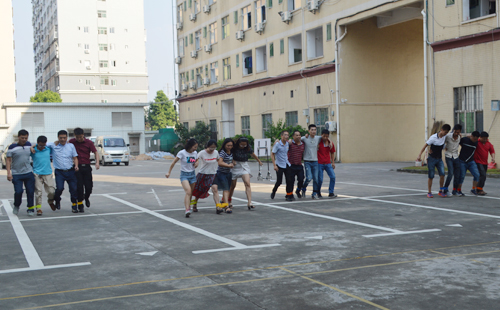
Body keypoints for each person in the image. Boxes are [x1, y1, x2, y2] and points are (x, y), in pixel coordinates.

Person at [45, 130, 79, 212]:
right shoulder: (53, 145)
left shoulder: (71, 146)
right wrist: (32, 147)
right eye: (61, 138)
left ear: (67, 138)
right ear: (58, 138)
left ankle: (74, 206)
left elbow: (75, 157)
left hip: (70, 171)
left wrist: (76, 165)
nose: (62, 139)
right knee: (59, 188)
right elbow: (41, 144)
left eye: (64, 138)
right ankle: (57, 200)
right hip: (59, 172)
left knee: (73, 189)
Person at [166, 139, 198, 218]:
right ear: (190, 146)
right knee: (188, 191)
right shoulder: (182, 153)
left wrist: (196, 163)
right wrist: (169, 172)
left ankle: (188, 206)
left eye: (196, 147)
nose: (195, 149)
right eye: (194, 147)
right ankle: (187, 209)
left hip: (192, 175)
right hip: (184, 175)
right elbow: (173, 162)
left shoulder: (195, 153)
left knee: (191, 193)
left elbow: (196, 160)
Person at [6, 129, 35, 216]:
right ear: (18, 137)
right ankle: (16, 205)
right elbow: (8, 160)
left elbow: (39, 144)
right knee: (18, 191)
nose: (24, 139)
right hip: (16, 173)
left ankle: (30, 208)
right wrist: (8, 173)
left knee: (30, 191)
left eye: (26, 138)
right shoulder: (12, 147)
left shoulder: (29, 145)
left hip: (28, 172)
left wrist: (32, 147)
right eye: (22, 138)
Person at [69, 128, 99, 210]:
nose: (79, 139)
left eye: (80, 137)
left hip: (87, 167)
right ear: (75, 136)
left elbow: (95, 152)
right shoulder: (72, 142)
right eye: (77, 137)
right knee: (79, 187)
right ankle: (80, 204)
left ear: (83, 135)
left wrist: (97, 163)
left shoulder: (89, 143)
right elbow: (63, 144)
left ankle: (86, 197)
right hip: (77, 167)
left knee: (89, 187)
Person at [417, 124, 451, 198]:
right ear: (441, 130)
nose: (445, 134)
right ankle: (429, 192)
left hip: (439, 159)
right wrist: (419, 155)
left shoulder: (445, 137)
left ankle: (440, 191)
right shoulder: (433, 137)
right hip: (432, 159)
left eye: (447, 133)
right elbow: (425, 146)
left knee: (442, 174)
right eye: (445, 132)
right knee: (431, 176)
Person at [228, 137, 263, 210]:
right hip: (235, 166)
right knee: (232, 186)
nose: (243, 146)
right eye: (242, 145)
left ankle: (249, 202)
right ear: (238, 143)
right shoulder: (234, 147)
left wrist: (259, 161)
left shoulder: (248, 147)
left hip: (244, 165)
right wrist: (232, 160)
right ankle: (229, 200)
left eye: (245, 145)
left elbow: (252, 154)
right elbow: (229, 154)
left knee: (247, 183)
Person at [191, 140, 220, 212]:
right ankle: (194, 204)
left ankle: (218, 207)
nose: (212, 150)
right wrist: (196, 162)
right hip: (203, 174)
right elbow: (195, 159)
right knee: (199, 191)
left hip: (213, 174)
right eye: (211, 148)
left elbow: (219, 160)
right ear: (207, 146)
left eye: (214, 148)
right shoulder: (202, 153)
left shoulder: (216, 152)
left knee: (215, 189)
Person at [31, 135, 56, 215]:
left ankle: (50, 201)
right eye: (40, 145)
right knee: (38, 192)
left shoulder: (48, 149)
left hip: (48, 173)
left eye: (43, 145)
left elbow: (55, 143)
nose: (42, 147)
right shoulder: (33, 151)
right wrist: (32, 146)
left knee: (51, 191)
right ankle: (38, 208)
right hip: (37, 174)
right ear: (37, 143)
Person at [270, 131, 294, 201]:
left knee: (289, 180)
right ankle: (274, 191)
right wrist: (274, 165)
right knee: (279, 181)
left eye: (288, 135)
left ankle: (288, 195)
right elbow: (272, 154)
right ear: (281, 136)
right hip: (279, 165)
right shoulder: (277, 144)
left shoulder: (287, 144)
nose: (286, 136)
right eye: (285, 135)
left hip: (287, 164)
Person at [456, 131, 481, 196]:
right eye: (474, 139)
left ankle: (473, 189)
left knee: (477, 175)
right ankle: (458, 190)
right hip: (462, 161)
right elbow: (457, 142)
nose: (475, 140)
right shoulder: (464, 140)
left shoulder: (477, 142)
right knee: (462, 176)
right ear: (471, 136)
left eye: (476, 139)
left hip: (471, 161)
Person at [214, 138, 235, 213]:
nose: (229, 147)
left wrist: (233, 163)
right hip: (221, 173)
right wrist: (228, 165)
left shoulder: (231, 152)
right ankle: (226, 207)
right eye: (228, 145)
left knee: (227, 189)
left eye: (231, 145)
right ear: (224, 145)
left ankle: (224, 203)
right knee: (226, 189)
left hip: (228, 173)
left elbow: (232, 160)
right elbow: (220, 162)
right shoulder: (222, 152)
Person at [301, 124, 322, 199]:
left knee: (316, 178)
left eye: (315, 130)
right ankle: (303, 189)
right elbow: (296, 139)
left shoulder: (318, 138)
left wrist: (329, 142)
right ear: (309, 131)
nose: (313, 131)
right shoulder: (304, 138)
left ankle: (314, 194)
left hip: (315, 162)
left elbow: (325, 137)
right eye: (312, 130)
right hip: (307, 161)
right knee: (309, 178)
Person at [473, 131, 495, 196]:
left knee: (482, 176)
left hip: (485, 162)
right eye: (484, 138)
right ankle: (479, 189)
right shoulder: (477, 142)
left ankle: (478, 188)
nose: (485, 140)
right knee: (483, 175)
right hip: (478, 162)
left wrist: (493, 158)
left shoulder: (488, 144)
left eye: (486, 138)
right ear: (480, 137)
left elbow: (492, 151)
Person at [317, 129, 337, 198]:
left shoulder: (330, 143)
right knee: (320, 179)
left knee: (333, 177)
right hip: (319, 163)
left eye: (327, 136)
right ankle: (318, 192)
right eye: (324, 136)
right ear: (321, 135)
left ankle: (331, 192)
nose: (325, 138)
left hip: (328, 163)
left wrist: (333, 162)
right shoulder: (318, 142)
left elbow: (332, 152)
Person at [443, 124, 462, 196]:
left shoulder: (459, 137)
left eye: (458, 132)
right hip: (448, 156)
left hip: (456, 156)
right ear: (453, 130)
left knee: (457, 174)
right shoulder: (448, 136)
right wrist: (445, 147)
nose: (456, 133)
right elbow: (442, 142)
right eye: (456, 132)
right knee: (450, 173)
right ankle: (445, 189)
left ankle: (455, 190)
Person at [288, 130, 306, 198]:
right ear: (293, 136)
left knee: (301, 179)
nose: (298, 136)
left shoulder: (303, 144)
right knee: (291, 181)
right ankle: (290, 194)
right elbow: (282, 142)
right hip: (291, 165)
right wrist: (277, 140)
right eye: (297, 135)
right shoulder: (290, 143)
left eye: (299, 135)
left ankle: (298, 190)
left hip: (299, 165)